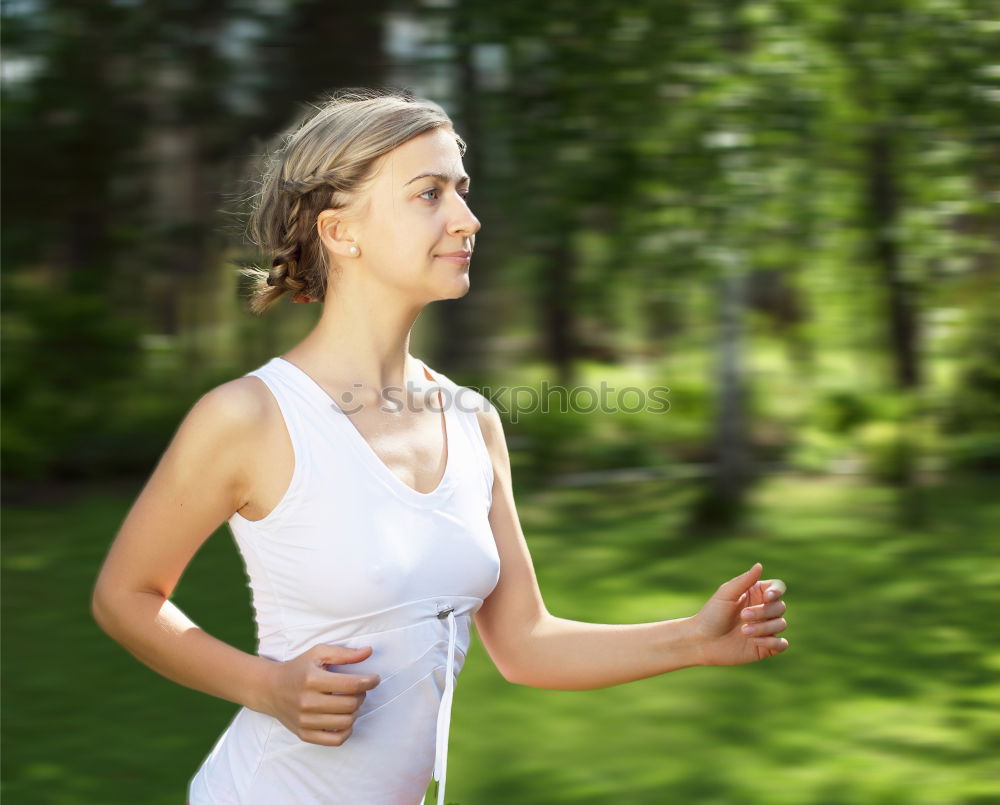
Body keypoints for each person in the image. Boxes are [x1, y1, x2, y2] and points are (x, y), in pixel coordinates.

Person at [91, 88, 789, 805]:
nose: (468, 218)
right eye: (429, 194)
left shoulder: (473, 420)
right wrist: (267, 685)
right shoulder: (251, 415)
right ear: (339, 231)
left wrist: (693, 639)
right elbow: (125, 595)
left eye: (462, 190)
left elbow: (523, 642)